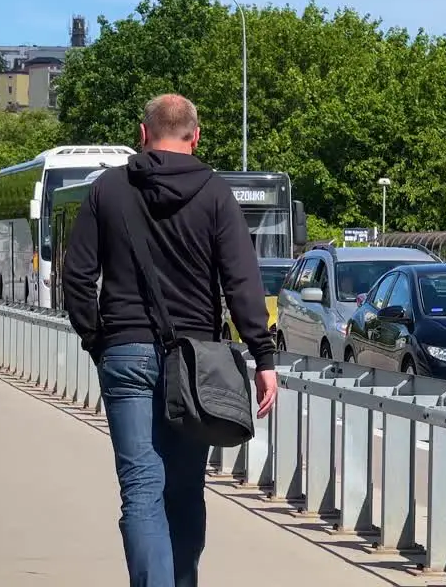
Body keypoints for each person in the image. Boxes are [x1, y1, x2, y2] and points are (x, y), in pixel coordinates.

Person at [61, 93, 278, 587]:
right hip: (197, 364)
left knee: (141, 490)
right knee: (184, 490)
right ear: (195, 137)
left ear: (142, 135)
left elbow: (76, 278)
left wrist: (99, 339)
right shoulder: (217, 193)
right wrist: (263, 356)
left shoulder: (107, 191)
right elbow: (241, 281)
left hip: (124, 352)